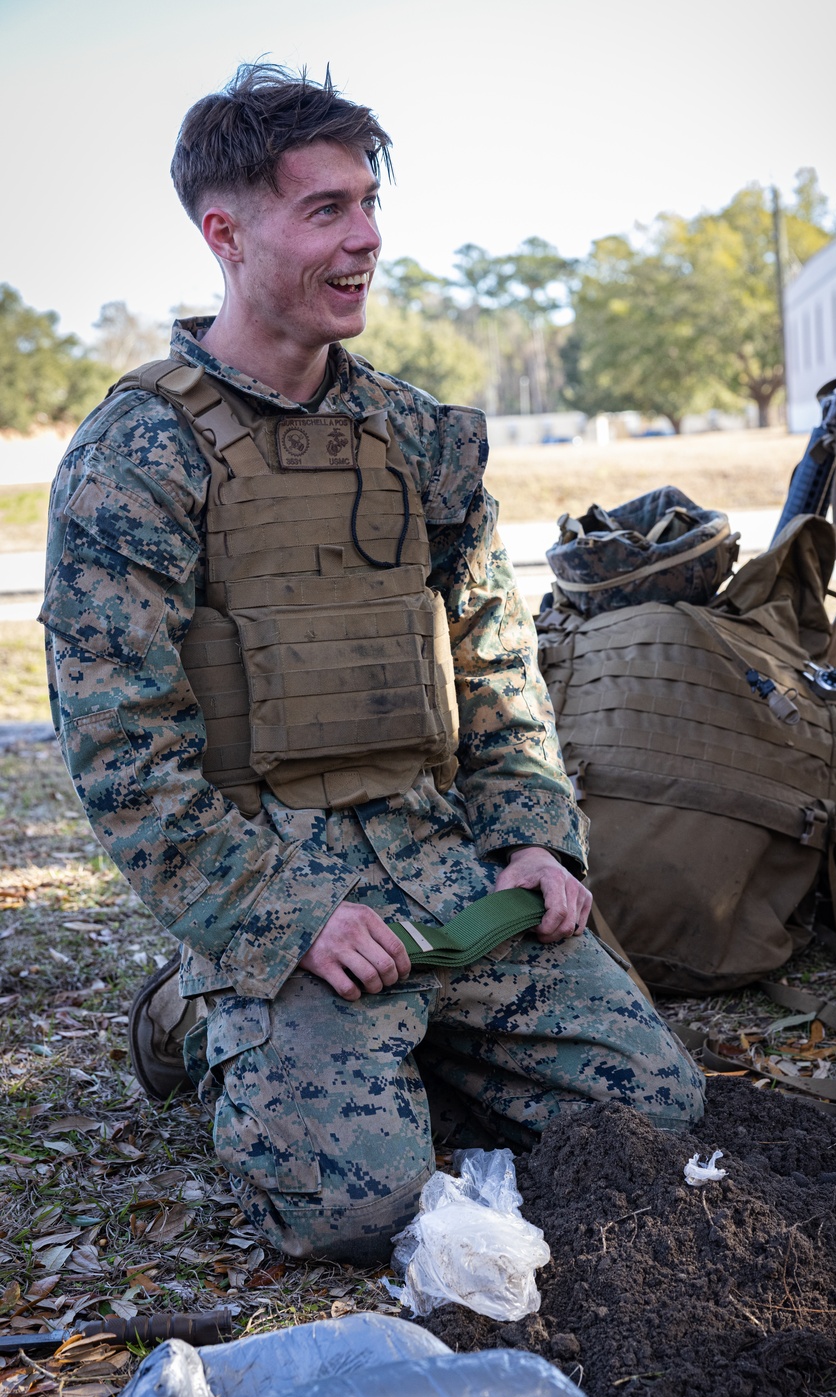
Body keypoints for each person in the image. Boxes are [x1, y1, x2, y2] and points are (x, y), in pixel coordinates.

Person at [41, 63, 703, 1265]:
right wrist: (277, 916)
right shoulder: (136, 455)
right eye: (327, 210)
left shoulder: (418, 438)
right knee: (351, 1213)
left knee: (657, 1112)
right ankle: (199, 1011)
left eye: (369, 204)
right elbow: (118, 748)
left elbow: (495, 664)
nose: (366, 240)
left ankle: (386, 1048)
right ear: (226, 232)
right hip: (278, 875)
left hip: (437, 862)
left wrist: (535, 839)